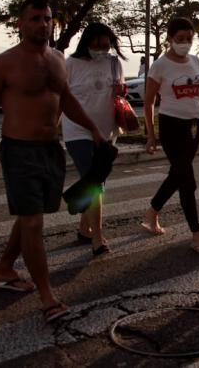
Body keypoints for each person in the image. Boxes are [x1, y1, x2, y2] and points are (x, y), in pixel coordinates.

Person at [0, 0, 104, 324]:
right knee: (33, 221)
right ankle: (47, 297)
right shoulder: (4, 64)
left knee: (29, 215)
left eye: (47, 18)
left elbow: (67, 100)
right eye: (34, 18)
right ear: (19, 24)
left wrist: (93, 129)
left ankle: (5, 267)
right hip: (19, 149)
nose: (42, 24)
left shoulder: (58, 59)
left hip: (50, 149)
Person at [140, 17, 199, 254]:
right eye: (180, 39)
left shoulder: (194, 61)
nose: (185, 43)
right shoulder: (160, 65)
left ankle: (152, 213)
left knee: (177, 174)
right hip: (172, 125)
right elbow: (149, 101)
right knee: (187, 180)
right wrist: (151, 135)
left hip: (194, 124)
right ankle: (197, 235)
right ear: (170, 39)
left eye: (189, 39)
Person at [62, 22, 125, 256]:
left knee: (97, 181)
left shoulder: (113, 63)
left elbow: (118, 92)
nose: (102, 49)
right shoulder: (71, 64)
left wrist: (120, 91)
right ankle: (98, 238)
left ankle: (83, 228)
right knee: (94, 183)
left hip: (106, 132)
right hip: (77, 131)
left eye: (107, 45)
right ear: (87, 42)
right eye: (97, 45)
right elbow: (63, 97)